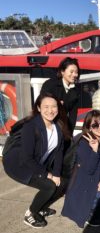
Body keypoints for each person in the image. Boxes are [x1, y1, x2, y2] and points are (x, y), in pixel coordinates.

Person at [2, 93, 69, 229]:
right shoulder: (31, 126)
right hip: (19, 165)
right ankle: (31, 213)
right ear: (38, 108)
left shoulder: (58, 127)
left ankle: (41, 208)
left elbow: (58, 153)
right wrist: (48, 175)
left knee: (61, 183)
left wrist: (56, 173)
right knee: (49, 186)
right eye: (46, 107)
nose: (50, 110)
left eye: (53, 107)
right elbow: (26, 159)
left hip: (35, 163)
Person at [61, 110, 100, 228]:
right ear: (89, 128)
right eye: (95, 125)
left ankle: (97, 200)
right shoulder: (83, 142)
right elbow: (89, 170)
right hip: (86, 180)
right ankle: (89, 212)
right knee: (98, 209)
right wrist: (94, 150)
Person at [40, 57, 80, 134]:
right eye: (71, 72)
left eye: (76, 72)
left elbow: (73, 115)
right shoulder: (50, 85)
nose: (74, 75)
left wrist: (70, 132)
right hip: (46, 124)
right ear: (62, 71)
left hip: (62, 127)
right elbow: (41, 104)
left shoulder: (75, 90)